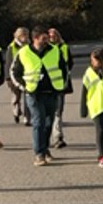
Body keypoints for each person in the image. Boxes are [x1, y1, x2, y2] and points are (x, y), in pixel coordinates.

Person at [10, 25, 68, 166]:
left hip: (52, 92)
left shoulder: (55, 50)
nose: (47, 40)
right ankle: (39, 153)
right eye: (44, 38)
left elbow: (64, 69)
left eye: (47, 37)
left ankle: (45, 149)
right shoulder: (23, 52)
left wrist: (62, 86)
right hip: (33, 93)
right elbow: (14, 72)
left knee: (49, 123)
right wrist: (23, 87)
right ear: (35, 38)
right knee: (38, 122)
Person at [48, 27, 72, 149]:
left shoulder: (64, 47)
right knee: (49, 114)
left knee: (58, 112)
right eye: (50, 35)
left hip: (60, 84)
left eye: (54, 35)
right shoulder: (45, 49)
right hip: (47, 85)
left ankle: (58, 137)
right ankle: (49, 138)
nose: (52, 37)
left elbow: (69, 64)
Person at [4, 27, 31, 126]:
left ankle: (27, 117)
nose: (24, 37)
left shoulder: (30, 45)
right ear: (18, 36)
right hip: (14, 76)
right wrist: (8, 78)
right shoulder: (12, 47)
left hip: (27, 74)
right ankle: (16, 112)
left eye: (26, 35)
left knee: (27, 97)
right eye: (22, 35)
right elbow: (8, 63)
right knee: (16, 96)